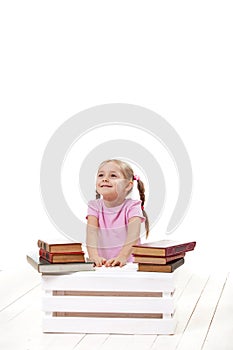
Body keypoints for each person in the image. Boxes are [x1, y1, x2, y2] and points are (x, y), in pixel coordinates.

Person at [86, 159, 149, 267]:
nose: (105, 179)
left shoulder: (132, 207)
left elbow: (133, 236)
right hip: (104, 265)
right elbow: (91, 234)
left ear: (128, 185)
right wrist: (93, 256)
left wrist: (123, 257)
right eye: (101, 175)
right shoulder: (94, 206)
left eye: (113, 176)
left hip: (129, 265)